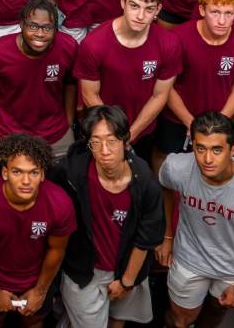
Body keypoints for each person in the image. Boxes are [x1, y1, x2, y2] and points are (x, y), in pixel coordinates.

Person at [157, 112, 234, 327]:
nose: (207, 159)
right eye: (200, 148)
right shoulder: (176, 168)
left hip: (231, 267)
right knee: (180, 319)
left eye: (217, 150)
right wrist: (167, 236)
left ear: (233, 150)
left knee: (214, 314)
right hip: (189, 257)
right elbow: (165, 188)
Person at [56, 104, 163, 328]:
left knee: (118, 319)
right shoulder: (71, 172)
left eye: (111, 141)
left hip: (126, 267)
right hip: (85, 270)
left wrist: (126, 281)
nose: (104, 150)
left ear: (126, 141)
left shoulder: (144, 182)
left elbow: (146, 238)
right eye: (96, 142)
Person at [0, 132, 74, 327]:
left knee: (33, 321)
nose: (25, 181)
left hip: (36, 279)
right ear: (5, 173)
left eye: (33, 172)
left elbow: (57, 250)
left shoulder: (60, 203)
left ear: (42, 175)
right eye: (17, 172)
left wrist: (40, 291)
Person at [75, 0, 181, 150]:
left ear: (158, 10)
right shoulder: (94, 44)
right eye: (134, 6)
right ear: (122, 2)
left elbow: (160, 94)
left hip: (143, 128)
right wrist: (115, 134)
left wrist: (131, 134)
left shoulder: (169, 44)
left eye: (149, 9)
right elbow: (89, 94)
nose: (140, 16)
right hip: (103, 128)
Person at [161, 0, 234, 157]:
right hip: (177, 116)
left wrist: (219, 122)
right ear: (201, 10)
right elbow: (166, 86)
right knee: (166, 155)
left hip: (220, 116)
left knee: (210, 166)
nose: (222, 20)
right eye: (214, 12)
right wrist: (189, 121)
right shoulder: (177, 38)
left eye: (228, 13)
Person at [0, 0, 76, 151]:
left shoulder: (68, 46)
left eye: (47, 28)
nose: (40, 34)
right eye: (33, 26)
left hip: (56, 135)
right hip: (7, 136)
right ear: (21, 24)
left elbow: (71, 82)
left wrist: (68, 122)